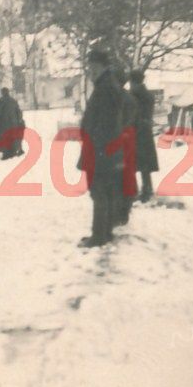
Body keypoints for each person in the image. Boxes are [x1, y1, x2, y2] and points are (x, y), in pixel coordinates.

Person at [77, 49, 125, 248]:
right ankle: (105, 233)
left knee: (98, 192)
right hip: (106, 149)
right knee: (105, 191)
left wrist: (96, 145)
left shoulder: (105, 88)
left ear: (103, 66)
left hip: (101, 150)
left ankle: (99, 236)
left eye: (94, 66)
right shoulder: (108, 84)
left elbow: (105, 124)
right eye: (90, 66)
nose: (91, 70)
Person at [113, 68, 138, 227]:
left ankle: (119, 212)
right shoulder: (130, 98)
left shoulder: (117, 99)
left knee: (118, 175)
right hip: (129, 138)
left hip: (119, 139)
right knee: (128, 174)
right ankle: (125, 210)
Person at [129, 69, 159, 202]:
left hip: (136, 132)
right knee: (144, 165)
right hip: (145, 132)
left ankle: (136, 191)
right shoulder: (148, 95)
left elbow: (133, 115)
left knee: (132, 163)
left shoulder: (133, 96)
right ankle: (147, 190)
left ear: (134, 82)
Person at [0, 87, 24, 159]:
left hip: (4, 123)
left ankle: (6, 154)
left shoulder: (1, 101)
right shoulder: (13, 100)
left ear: (2, 93)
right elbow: (19, 111)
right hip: (14, 123)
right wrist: (18, 120)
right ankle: (13, 152)